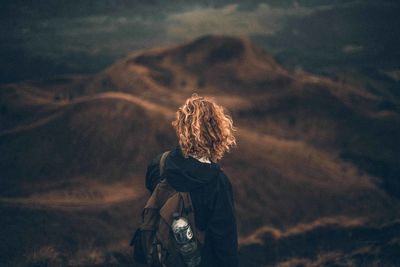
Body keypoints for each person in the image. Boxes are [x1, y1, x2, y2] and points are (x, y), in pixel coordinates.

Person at [145, 93, 238, 267]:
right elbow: (225, 243)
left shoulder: (160, 164)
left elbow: (154, 198)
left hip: (163, 257)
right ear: (217, 131)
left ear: (182, 127)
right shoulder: (218, 183)